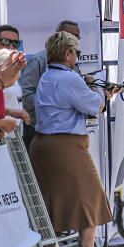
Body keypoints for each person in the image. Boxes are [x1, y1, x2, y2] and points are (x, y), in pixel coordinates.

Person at [29, 31, 115, 247]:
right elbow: (94, 105)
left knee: (53, 200)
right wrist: (103, 93)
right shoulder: (69, 79)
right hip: (66, 145)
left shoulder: (48, 76)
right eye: (76, 53)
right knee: (91, 196)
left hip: (43, 143)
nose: (77, 57)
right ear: (68, 54)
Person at [20, 20, 81, 151]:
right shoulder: (38, 60)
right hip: (39, 131)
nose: (73, 39)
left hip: (66, 133)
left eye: (77, 37)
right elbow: (26, 96)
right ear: (58, 35)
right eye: (70, 35)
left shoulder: (73, 64)